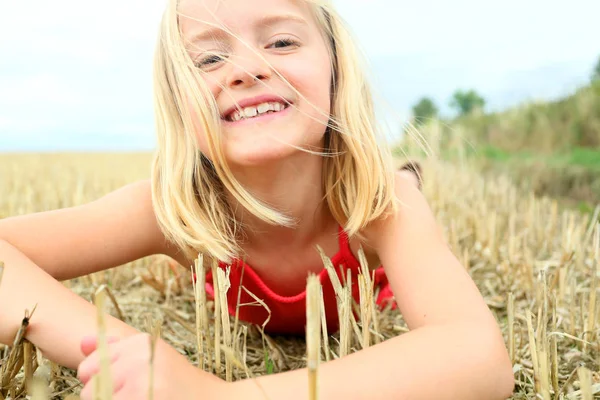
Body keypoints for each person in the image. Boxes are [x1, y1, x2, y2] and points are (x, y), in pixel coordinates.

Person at [0, 0, 514, 399]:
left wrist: (218, 394)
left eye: (283, 41)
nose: (245, 68)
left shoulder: (384, 202)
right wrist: (123, 354)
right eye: (209, 57)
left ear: (337, 67)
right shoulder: (171, 212)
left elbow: (478, 359)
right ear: (178, 101)